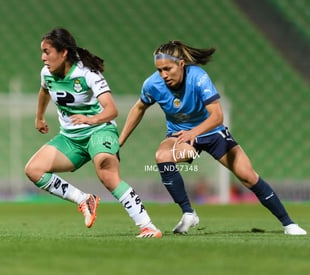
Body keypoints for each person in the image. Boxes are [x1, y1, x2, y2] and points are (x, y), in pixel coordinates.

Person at [119, 40, 306, 235]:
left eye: (168, 69)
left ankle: (288, 224)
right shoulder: (152, 85)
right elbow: (139, 108)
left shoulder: (198, 78)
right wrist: (121, 140)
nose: (163, 75)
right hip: (180, 136)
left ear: (181, 64)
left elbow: (217, 116)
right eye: (159, 70)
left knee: (248, 176)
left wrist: (194, 132)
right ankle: (188, 213)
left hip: (212, 132)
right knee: (162, 156)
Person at [25, 27, 162, 238]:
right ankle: (83, 199)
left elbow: (111, 110)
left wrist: (91, 119)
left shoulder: (87, 73)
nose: (43, 58)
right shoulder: (46, 73)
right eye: (42, 52)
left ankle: (148, 226)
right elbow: (44, 90)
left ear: (63, 53)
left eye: (47, 52)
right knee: (34, 170)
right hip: (71, 138)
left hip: (100, 130)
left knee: (106, 171)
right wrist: (39, 117)